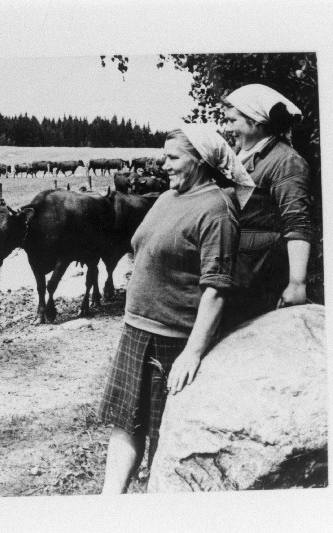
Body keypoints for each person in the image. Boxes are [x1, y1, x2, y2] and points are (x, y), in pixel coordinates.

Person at [98, 124, 254, 494]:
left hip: (172, 340)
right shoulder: (169, 197)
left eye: (173, 157)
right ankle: (108, 506)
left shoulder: (217, 210)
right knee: (125, 425)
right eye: (163, 156)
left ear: (200, 161)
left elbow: (216, 289)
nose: (163, 164)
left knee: (164, 439)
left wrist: (193, 353)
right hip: (137, 331)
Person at [221, 84, 314, 329]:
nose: (227, 128)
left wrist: (296, 283)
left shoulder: (286, 161)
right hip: (236, 272)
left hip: (260, 277)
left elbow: (298, 224)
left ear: (257, 122)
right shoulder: (241, 155)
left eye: (232, 121)